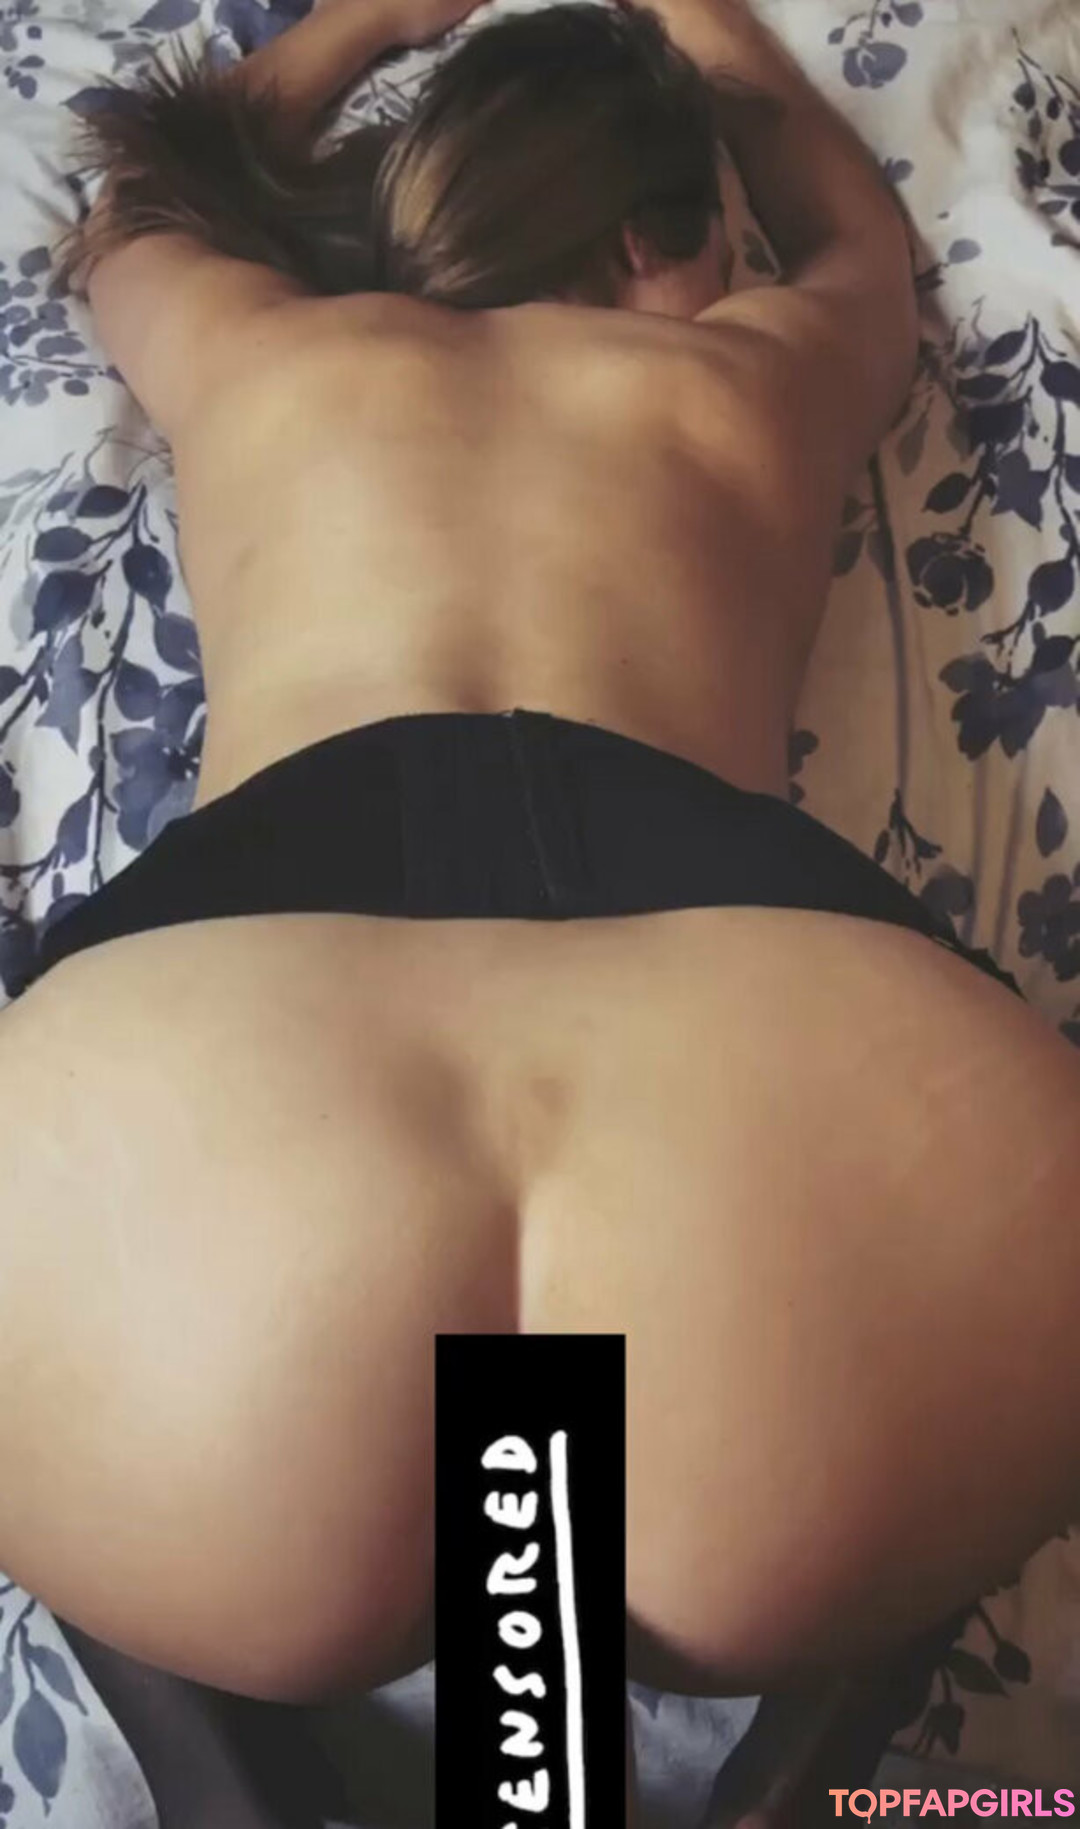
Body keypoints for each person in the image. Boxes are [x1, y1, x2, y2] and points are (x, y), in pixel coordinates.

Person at [2, 0, 1079, 1819]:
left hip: (229, 1050)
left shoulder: (264, 343)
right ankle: (801, 1764)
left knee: (92, 1369)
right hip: (779, 1064)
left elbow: (124, 212)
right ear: (667, 238)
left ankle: (226, 1757)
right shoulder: (755, 360)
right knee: (957, 1354)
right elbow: (858, 235)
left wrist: (370, 20)